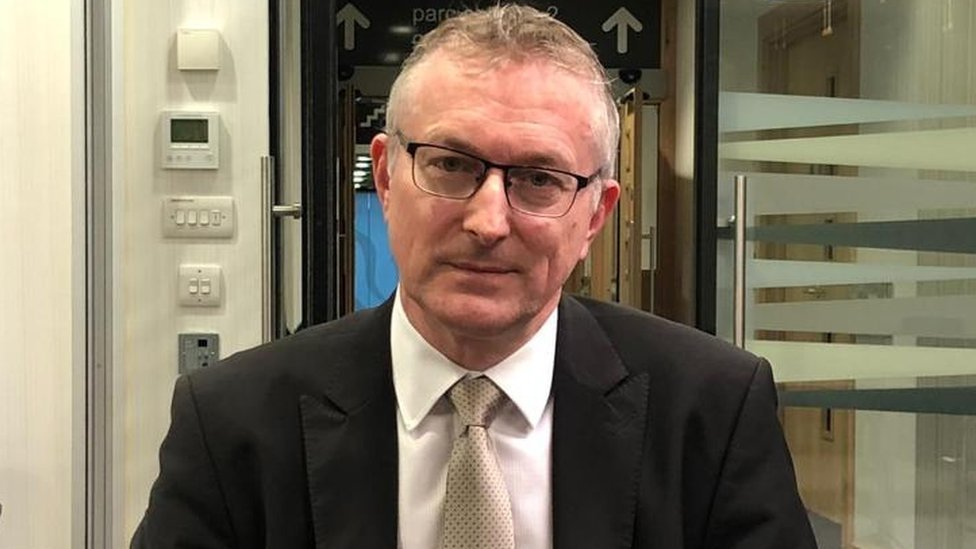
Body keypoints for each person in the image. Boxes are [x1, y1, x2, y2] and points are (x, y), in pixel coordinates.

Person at [132, 5, 816, 548]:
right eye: (453, 164)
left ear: (596, 215)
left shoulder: (713, 412)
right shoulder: (233, 423)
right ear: (390, 175)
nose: (489, 221)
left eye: (540, 179)